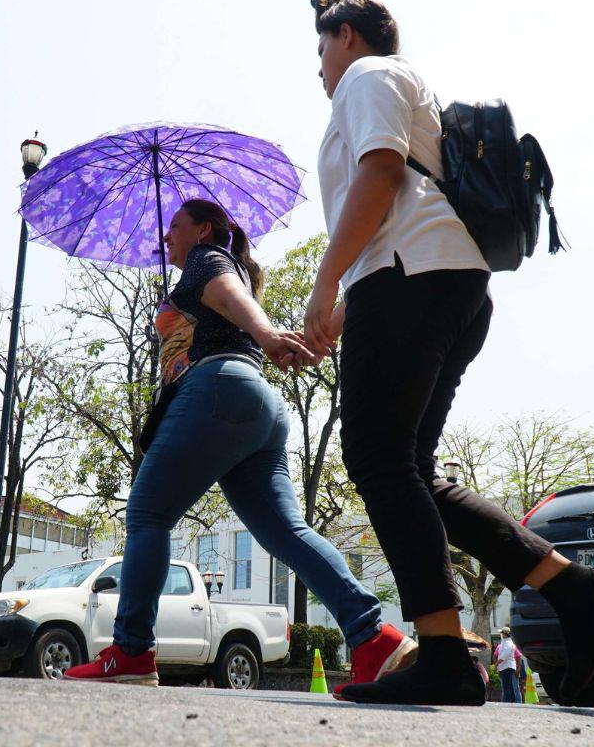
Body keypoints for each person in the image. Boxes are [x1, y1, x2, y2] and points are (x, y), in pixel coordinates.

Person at [302, 0, 594, 706]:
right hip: (439, 283)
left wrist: (324, 285)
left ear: (346, 37)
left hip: (414, 282)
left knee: (380, 460)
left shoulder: (369, 76)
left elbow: (382, 174)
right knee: (412, 468)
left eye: (319, 50)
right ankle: (571, 587)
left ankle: (445, 651)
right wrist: (346, 304)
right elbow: (403, 210)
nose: (318, 70)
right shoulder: (398, 85)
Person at [64, 198, 417, 686]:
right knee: (287, 533)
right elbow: (232, 304)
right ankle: (374, 639)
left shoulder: (208, 260)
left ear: (204, 229)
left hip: (218, 391)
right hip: (256, 405)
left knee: (147, 515)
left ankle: (131, 653)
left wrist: (269, 335)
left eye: (176, 225)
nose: (167, 236)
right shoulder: (217, 267)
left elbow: (229, 295)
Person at [494, 628, 522, 703]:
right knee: (509, 686)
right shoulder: (506, 642)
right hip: (506, 667)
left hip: (507, 666)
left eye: (502, 633)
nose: (501, 635)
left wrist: (497, 663)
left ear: (505, 634)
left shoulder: (508, 643)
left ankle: (507, 702)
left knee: (506, 687)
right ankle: (511, 702)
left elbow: (504, 655)